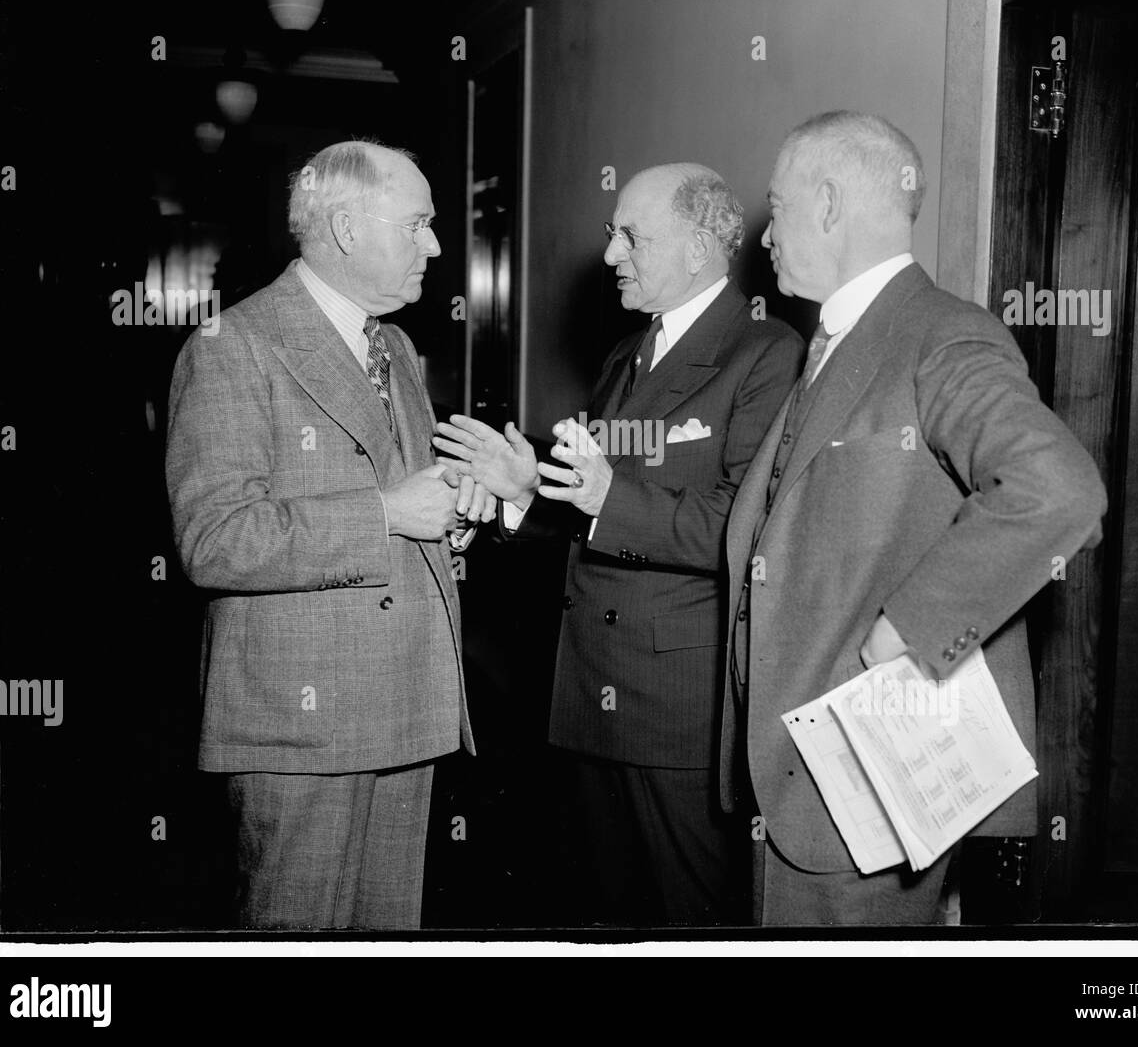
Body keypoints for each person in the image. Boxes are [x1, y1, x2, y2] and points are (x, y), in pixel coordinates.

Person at [722, 112, 1107, 925]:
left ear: (828, 205)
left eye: (777, 207)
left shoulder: (942, 334)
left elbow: (1059, 491)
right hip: (797, 784)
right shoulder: (834, 341)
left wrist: (914, 626)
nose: (766, 236)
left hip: (867, 780)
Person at [433, 164, 803, 926]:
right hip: (589, 696)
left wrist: (604, 497)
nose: (610, 256)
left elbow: (748, 524)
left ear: (700, 248)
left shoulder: (768, 355)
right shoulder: (625, 355)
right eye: (612, 235)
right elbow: (589, 523)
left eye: (632, 236)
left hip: (679, 713)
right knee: (604, 911)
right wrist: (521, 490)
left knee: (686, 916)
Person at [166, 140, 492, 929]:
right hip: (299, 725)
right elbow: (214, 539)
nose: (437, 245)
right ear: (347, 229)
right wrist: (385, 512)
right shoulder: (234, 346)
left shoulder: (398, 349)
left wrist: (450, 524)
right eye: (418, 225)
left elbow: (410, 504)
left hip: (407, 705)